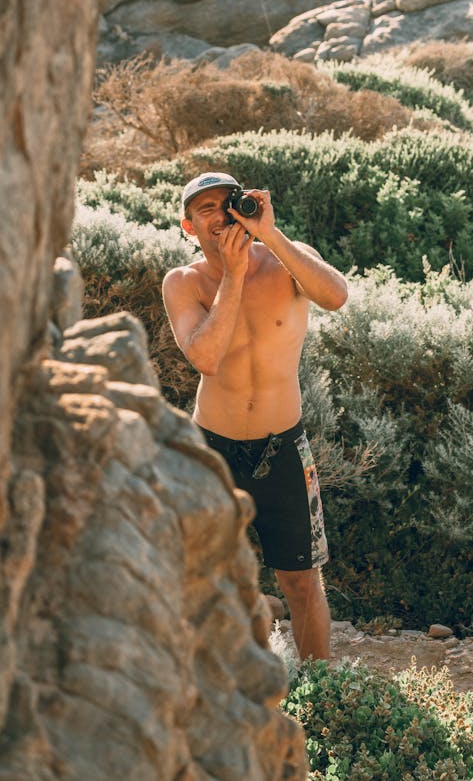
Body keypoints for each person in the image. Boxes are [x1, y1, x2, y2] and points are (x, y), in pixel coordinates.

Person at [162, 171, 348, 661]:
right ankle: (221, 692)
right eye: (206, 210)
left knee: (302, 582)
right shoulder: (183, 282)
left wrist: (269, 234)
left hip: (282, 446)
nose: (220, 215)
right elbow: (205, 356)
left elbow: (335, 296)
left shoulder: (287, 259)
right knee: (206, 581)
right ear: (188, 227)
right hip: (212, 451)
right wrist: (234, 274)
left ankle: (321, 695)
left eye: (228, 203)